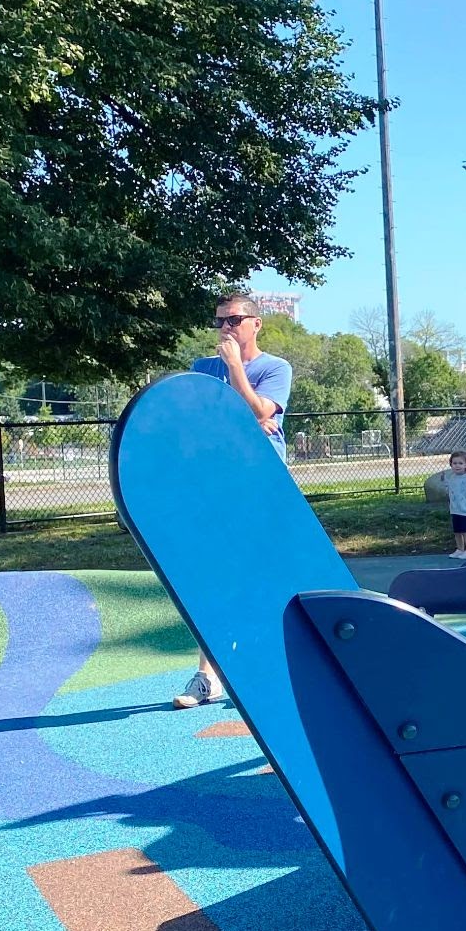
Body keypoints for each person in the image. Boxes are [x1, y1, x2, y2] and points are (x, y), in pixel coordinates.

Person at [174, 292, 293, 709]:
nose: (226, 327)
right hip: (214, 481)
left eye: (235, 319)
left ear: (255, 323)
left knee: (260, 576)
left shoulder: (275, 367)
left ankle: (273, 670)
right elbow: (199, 423)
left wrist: (236, 371)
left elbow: (262, 409)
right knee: (209, 576)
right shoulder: (201, 370)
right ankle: (207, 677)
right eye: (221, 320)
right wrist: (244, 419)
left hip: (261, 484)